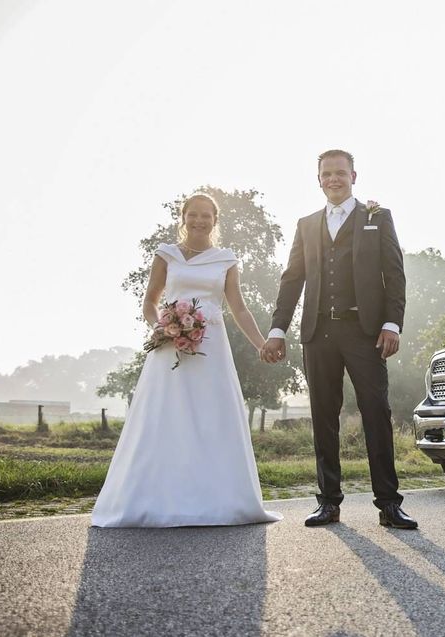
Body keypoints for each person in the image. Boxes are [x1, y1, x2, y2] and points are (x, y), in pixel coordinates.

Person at [91, 192, 282, 527]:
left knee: (211, 417)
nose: (199, 221)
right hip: (170, 346)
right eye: (193, 214)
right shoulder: (166, 254)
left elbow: (238, 307)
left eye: (206, 215)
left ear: (215, 220)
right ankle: (157, 497)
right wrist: (161, 327)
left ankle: (218, 500)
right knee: (166, 415)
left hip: (212, 349)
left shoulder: (226, 259)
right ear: (183, 217)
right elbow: (150, 300)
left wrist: (260, 343)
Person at [261, 149, 416, 529]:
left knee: (376, 414)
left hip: (364, 332)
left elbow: (394, 275)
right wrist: (278, 328)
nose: (334, 179)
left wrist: (392, 324)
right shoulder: (306, 224)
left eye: (340, 173)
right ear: (318, 180)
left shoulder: (377, 218)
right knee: (323, 417)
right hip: (318, 333)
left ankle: (388, 504)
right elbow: (291, 278)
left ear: (354, 176)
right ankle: (328, 502)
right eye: (327, 174)